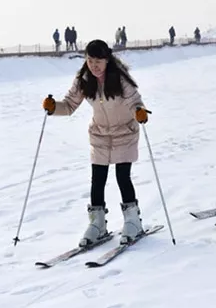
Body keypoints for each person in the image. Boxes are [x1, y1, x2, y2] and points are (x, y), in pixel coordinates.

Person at [42, 39, 150, 247]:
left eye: (98, 61)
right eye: (90, 60)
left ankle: (133, 221)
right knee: (97, 179)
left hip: (124, 132)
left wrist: (140, 112)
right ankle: (97, 224)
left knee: (122, 176)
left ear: (107, 60)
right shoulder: (84, 79)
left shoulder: (119, 78)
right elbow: (70, 105)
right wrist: (54, 107)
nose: (94, 65)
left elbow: (135, 101)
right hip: (100, 134)